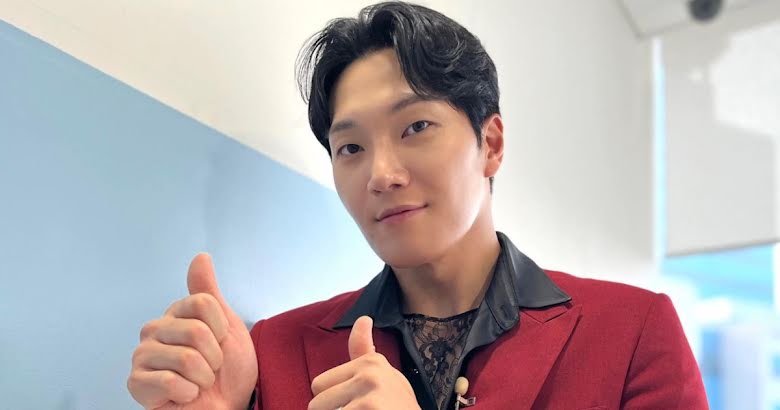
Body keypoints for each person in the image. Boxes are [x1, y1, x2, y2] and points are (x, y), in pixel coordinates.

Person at [126, 2, 709, 409]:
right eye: (351, 148)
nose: (381, 174)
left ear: (490, 144)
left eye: (416, 127)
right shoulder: (273, 352)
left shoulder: (632, 332)